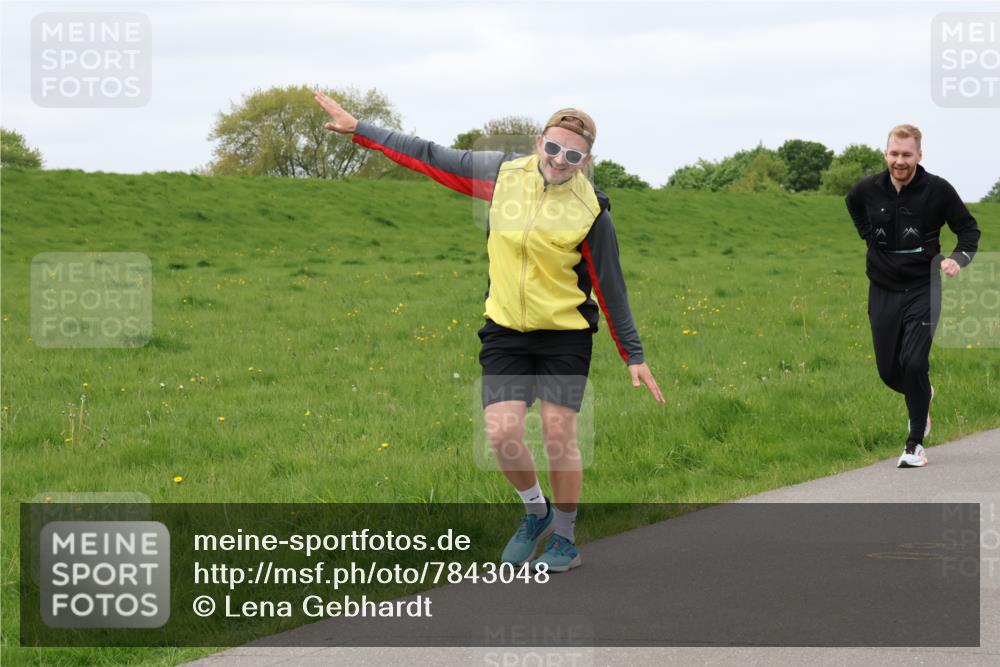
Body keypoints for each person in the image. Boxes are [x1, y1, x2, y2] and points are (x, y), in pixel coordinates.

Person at [315, 91, 664, 571]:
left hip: (564, 335)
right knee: (501, 434)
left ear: (587, 160)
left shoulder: (592, 210)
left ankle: (565, 539)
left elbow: (610, 285)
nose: (559, 160)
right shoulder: (500, 175)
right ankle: (536, 512)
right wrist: (361, 129)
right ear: (538, 142)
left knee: (558, 435)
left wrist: (634, 354)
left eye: (573, 155)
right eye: (553, 148)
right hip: (505, 330)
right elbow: (428, 154)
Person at [845, 124, 980, 468]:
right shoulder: (868, 189)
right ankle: (923, 392)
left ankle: (914, 445)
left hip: (923, 286)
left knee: (915, 363)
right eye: (894, 153)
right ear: (885, 154)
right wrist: (868, 236)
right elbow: (853, 204)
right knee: (889, 371)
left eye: (907, 154)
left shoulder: (938, 190)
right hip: (882, 288)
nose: (900, 161)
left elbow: (968, 229)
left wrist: (958, 258)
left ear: (919, 155)